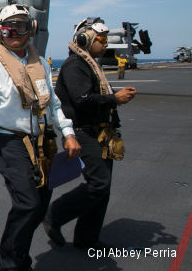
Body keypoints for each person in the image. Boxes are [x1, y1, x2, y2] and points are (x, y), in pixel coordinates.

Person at [0, 4, 80, 271]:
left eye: (22, 25)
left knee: (39, 207)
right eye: (9, 26)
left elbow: (53, 103)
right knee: (28, 204)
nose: (16, 31)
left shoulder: (39, 62)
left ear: (32, 29)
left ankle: (19, 260)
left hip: (43, 141)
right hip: (11, 142)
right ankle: (6, 264)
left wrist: (68, 133)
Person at [43, 18, 136, 250]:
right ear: (86, 40)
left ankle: (87, 239)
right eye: (102, 40)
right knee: (98, 185)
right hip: (83, 131)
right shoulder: (76, 64)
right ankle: (55, 214)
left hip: (100, 132)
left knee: (102, 190)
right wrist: (115, 98)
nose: (105, 44)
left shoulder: (90, 64)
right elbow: (82, 100)